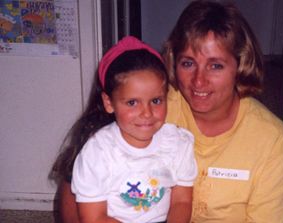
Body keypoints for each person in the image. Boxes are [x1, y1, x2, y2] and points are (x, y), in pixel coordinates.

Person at [51, 0, 283, 222]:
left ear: (241, 65)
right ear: (173, 61)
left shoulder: (270, 141)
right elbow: (76, 183)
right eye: (188, 63)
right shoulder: (151, 104)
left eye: (216, 66)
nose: (199, 81)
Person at [51, 36, 197, 223]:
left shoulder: (178, 142)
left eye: (156, 101)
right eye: (132, 102)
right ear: (109, 103)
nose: (147, 113)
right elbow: (94, 218)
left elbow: (182, 202)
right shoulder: (98, 152)